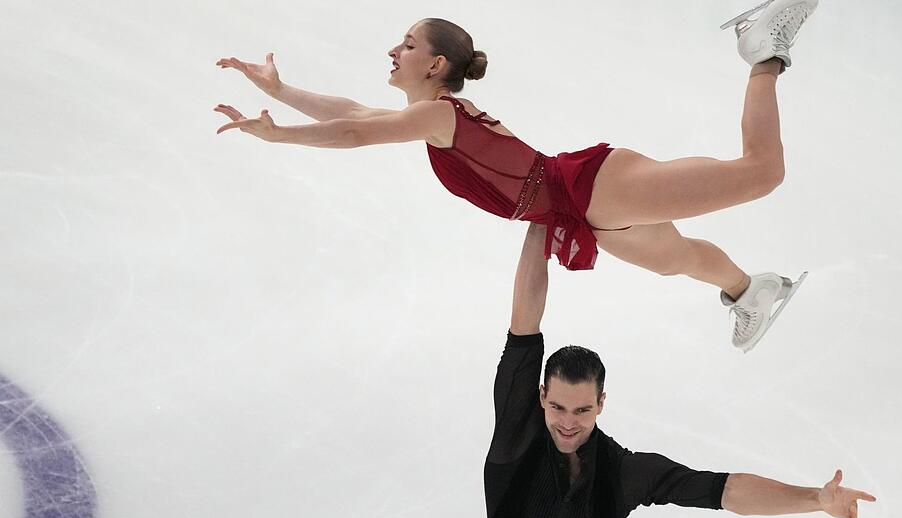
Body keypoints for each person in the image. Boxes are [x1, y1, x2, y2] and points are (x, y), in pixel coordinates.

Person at [214, 0, 817, 351]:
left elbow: (353, 132)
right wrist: (282, 91)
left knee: (760, 174)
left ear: (436, 64)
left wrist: (277, 134)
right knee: (673, 257)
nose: (393, 51)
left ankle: (762, 51)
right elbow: (353, 114)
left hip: (589, 187)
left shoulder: (435, 115)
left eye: (406, 44)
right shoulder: (431, 116)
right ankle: (751, 292)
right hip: (577, 209)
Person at [483, 222, 875, 518]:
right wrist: (538, 220)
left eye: (583, 409)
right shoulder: (518, 430)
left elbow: (722, 490)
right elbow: (524, 327)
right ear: (540, 397)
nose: (568, 422)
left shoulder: (622, 474)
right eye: (558, 407)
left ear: (602, 404)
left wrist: (815, 499)